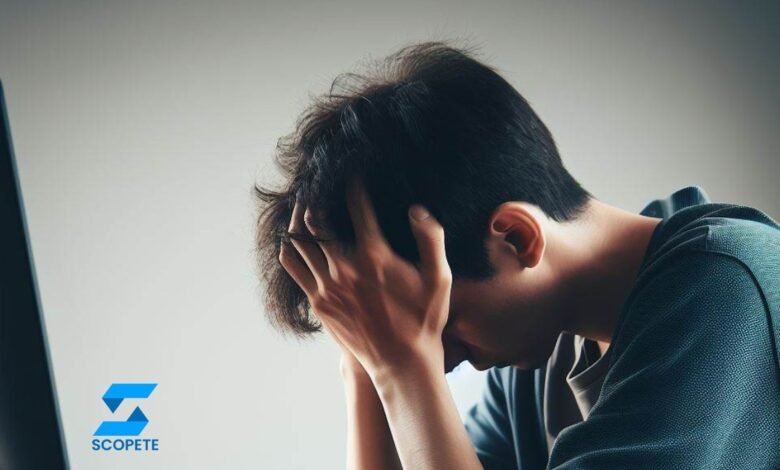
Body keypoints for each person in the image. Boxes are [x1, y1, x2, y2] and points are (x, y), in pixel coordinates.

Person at [254, 41, 780, 469]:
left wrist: (400, 369)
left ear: (515, 239)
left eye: (441, 324)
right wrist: (365, 364)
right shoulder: (532, 361)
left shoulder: (722, 288)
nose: (441, 361)